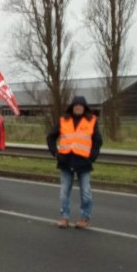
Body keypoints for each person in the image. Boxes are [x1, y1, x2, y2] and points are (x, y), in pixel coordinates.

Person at [47, 96, 103, 229]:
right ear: (72, 107)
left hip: (84, 161)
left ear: (85, 107)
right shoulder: (63, 120)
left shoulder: (92, 121)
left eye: (80, 105)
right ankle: (64, 218)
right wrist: (55, 152)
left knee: (86, 192)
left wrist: (92, 157)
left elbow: (98, 141)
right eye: (75, 105)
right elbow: (51, 137)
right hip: (66, 161)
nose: (78, 107)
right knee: (64, 192)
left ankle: (85, 218)